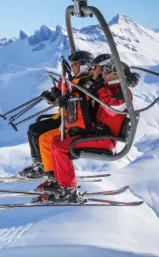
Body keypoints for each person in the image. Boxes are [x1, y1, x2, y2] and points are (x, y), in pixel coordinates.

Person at [44, 56, 139, 203]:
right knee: (56, 140)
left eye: (107, 72)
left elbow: (113, 109)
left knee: (61, 146)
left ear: (116, 74)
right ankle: (60, 180)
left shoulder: (123, 92)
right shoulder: (110, 89)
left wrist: (101, 89)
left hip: (105, 139)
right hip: (96, 134)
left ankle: (68, 189)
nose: (104, 75)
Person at [33, 50, 95, 184]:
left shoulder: (88, 82)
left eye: (75, 64)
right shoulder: (75, 80)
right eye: (72, 64)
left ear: (85, 66)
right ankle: (49, 172)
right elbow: (67, 99)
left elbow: (80, 99)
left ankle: (53, 175)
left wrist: (62, 98)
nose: (72, 67)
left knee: (46, 139)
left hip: (77, 124)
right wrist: (56, 97)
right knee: (41, 135)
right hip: (70, 120)